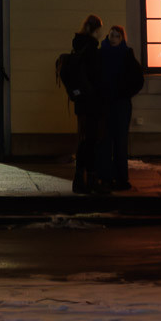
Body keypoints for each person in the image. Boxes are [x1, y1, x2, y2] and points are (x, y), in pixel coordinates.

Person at [56, 14, 106, 193]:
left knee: (84, 139)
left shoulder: (78, 45)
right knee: (91, 141)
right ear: (96, 30)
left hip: (81, 101)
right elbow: (95, 76)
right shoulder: (91, 48)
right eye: (100, 29)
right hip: (92, 101)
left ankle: (79, 179)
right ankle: (90, 179)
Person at [97, 23, 145, 190]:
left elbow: (138, 79)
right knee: (106, 141)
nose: (114, 38)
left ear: (122, 38)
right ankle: (109, 177)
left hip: (119, 103)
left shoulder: (125, 54)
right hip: (109, 103)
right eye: (112, 35)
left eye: (117, 36)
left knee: (118, 142)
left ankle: (118, 178)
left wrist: (124, 93)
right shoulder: (104, 53)